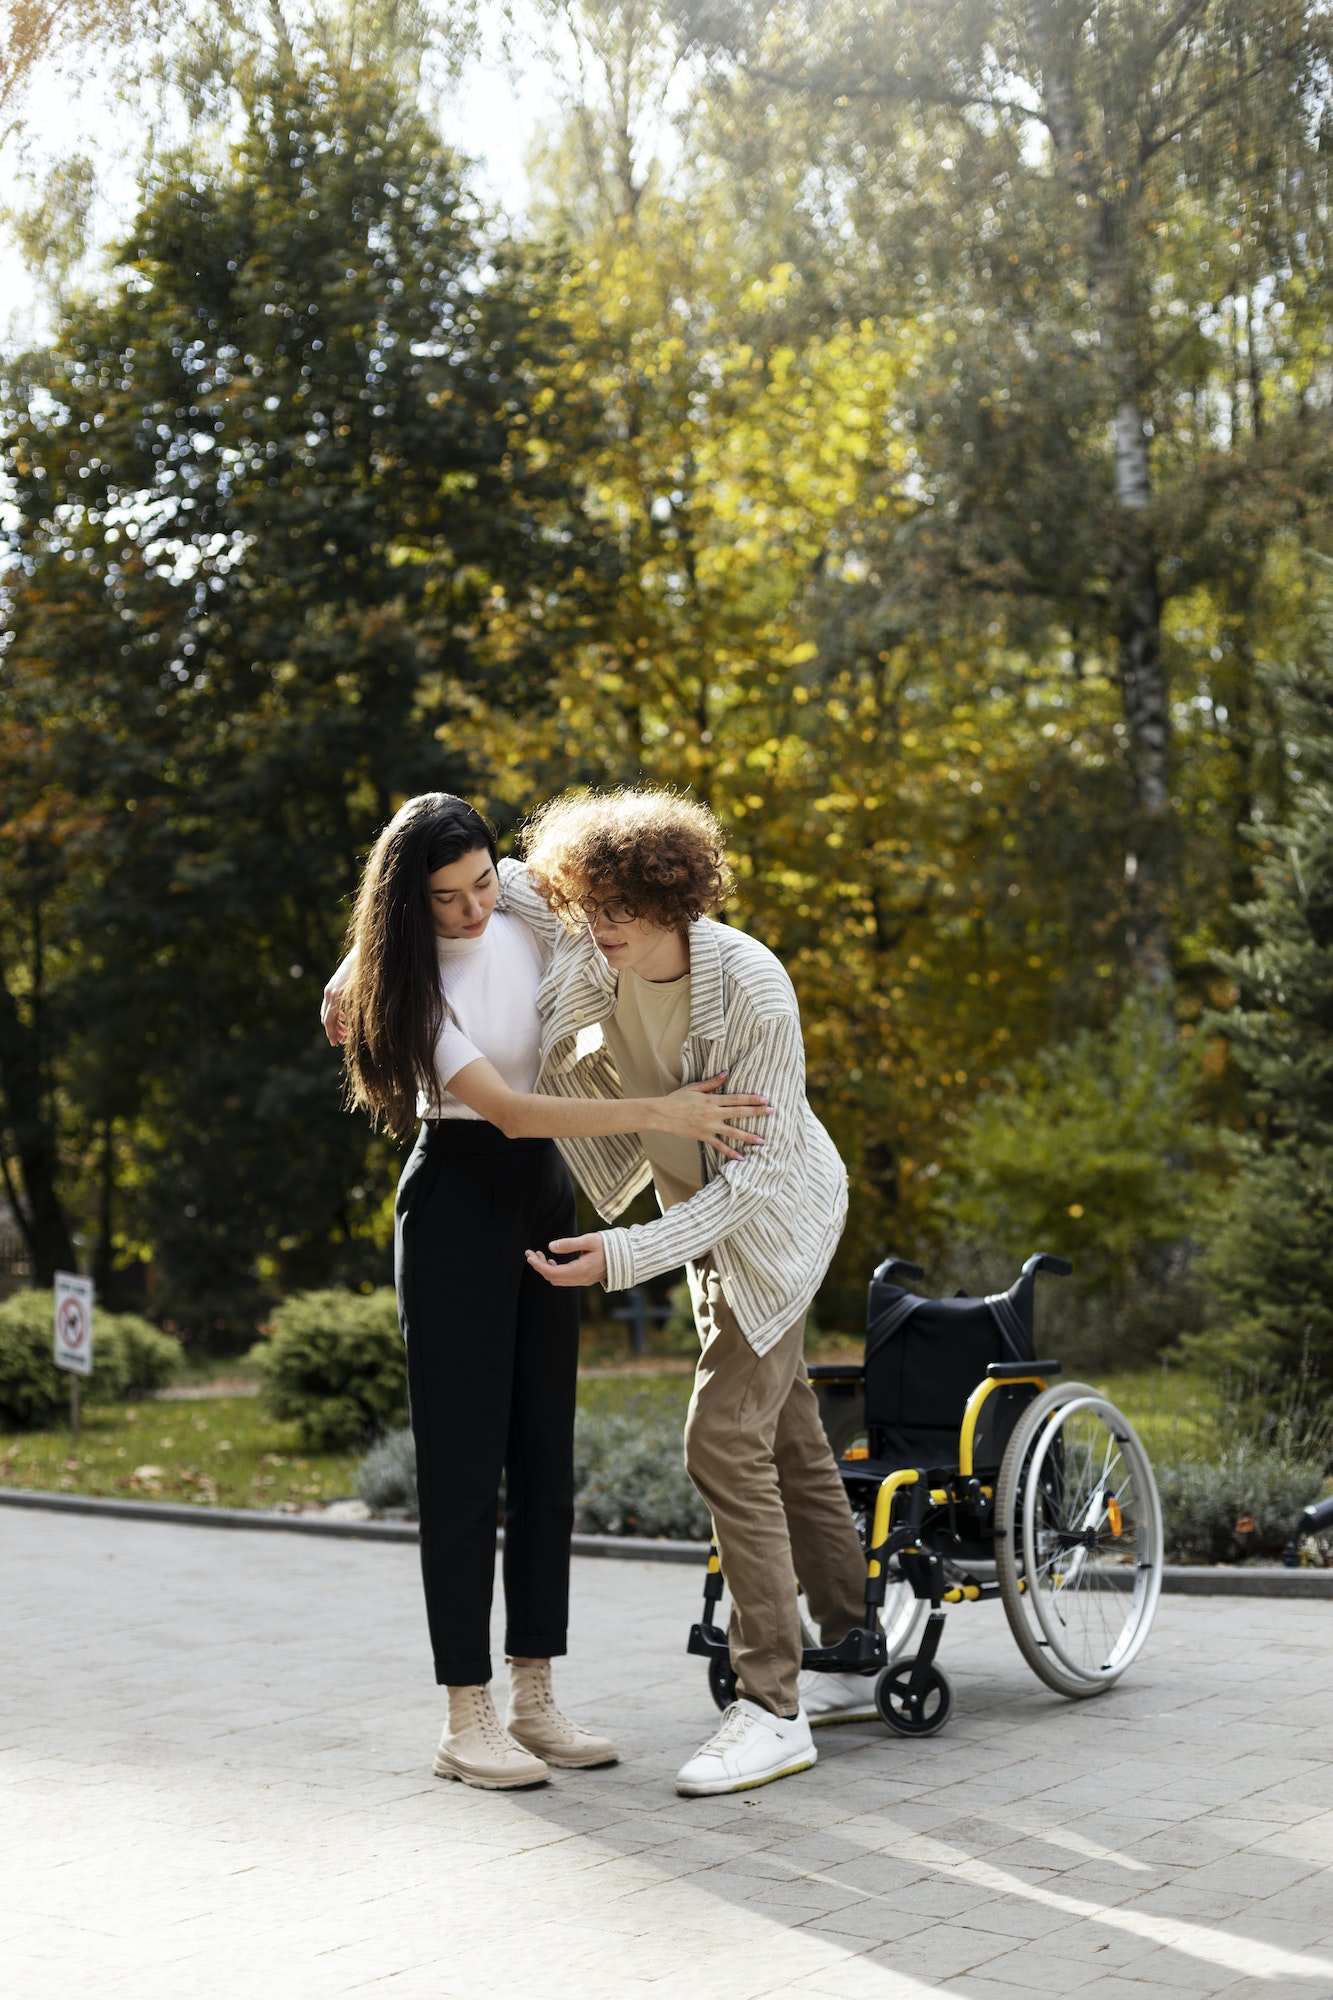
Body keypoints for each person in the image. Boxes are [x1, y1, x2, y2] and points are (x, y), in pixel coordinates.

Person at [321, 793, 770, 1792]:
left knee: (543, 1458)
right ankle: (464, 1712)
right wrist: (661, 1112)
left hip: (544, 1195)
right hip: (457, 1197)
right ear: (409, 904)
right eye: (446, 899)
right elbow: (513, 1111)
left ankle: (534, 1694)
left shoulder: (525, 902)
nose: (473, 909)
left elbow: (595, 907)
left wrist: (343, 966)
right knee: (461, 1468)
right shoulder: (410, 987)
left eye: (482, 883)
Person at [510, 790, 873, 1797]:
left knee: (720, 1436)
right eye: (591, 903)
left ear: (677, 898)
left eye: (623, 906)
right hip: (695, 1216)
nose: (602, 924)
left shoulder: (752, 989)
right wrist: (354, 969)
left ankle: (772, 1707)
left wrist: (624, 1256)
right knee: (789, 1437)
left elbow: (754, 1182)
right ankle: (850, 1650)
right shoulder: (592, 941)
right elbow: (481, 872)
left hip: (776, 1224)